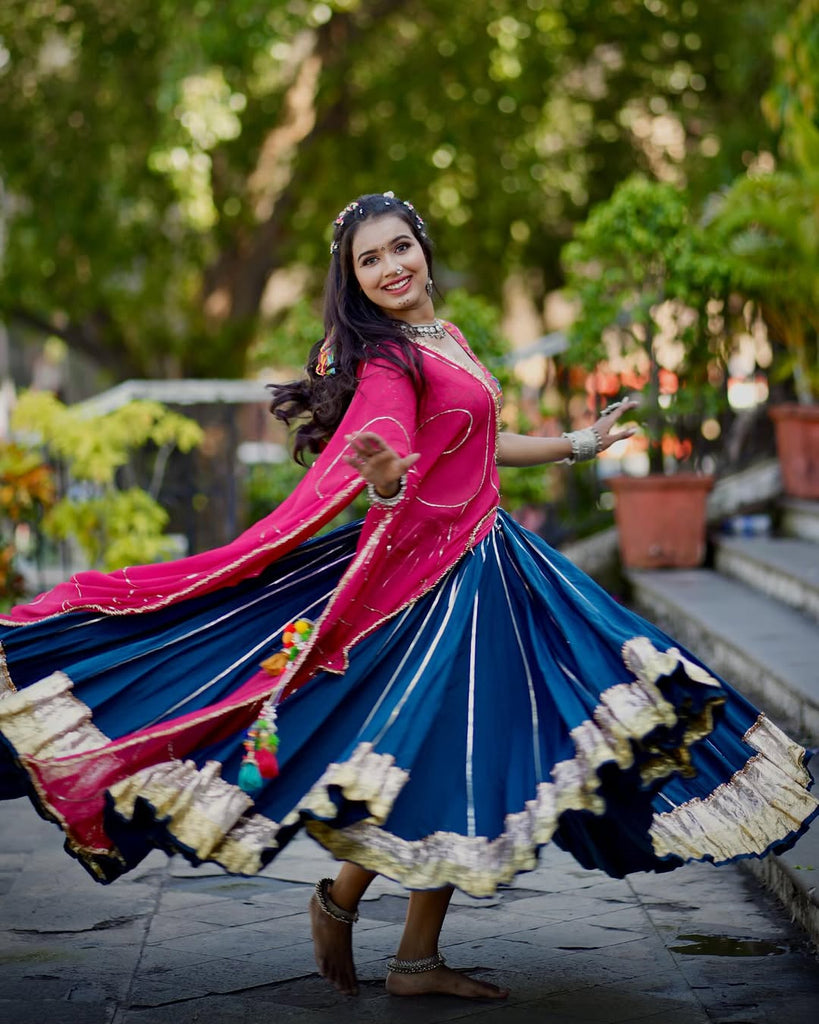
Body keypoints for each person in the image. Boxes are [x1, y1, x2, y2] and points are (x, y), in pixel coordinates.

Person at [0, 193, 816, 1003]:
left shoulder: (447, 338)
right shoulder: (389, 359)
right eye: (369, 260)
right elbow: (385, 438)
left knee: (476, 757)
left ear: (423, 248)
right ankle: (367, 922)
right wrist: (384, 479)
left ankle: (395, 943)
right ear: (351, 280)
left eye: (399, 248)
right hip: (432, 587)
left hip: (495, 565)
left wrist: (579, 442)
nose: (390, 268)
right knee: (463, 758)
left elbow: (487, 442)